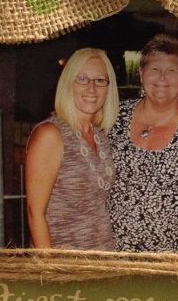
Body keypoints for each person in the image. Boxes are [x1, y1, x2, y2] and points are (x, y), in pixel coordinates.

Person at [107, 34, 178, 253]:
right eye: (154, 69)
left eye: (171, 70)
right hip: (111, 250)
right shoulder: (114, 117)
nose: (162, 78)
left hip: (171, 255)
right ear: (141, 74)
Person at [25, 48, 119, 250]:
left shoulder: (100, 135)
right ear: (68, 83)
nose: (92, 88)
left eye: (100, 80)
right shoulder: (50, 135)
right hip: (65, 260)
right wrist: (50, 265)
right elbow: (35, 213)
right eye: (82, 79)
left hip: (103, 257)